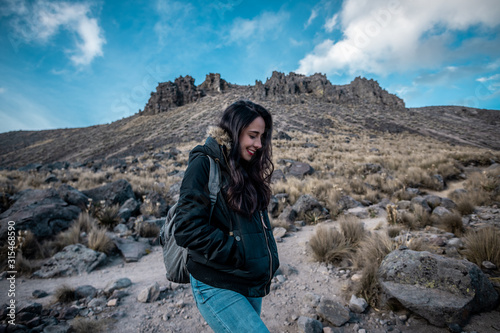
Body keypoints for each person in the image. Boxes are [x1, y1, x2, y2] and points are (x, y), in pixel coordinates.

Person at [173, 100, 280, 332]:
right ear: (235, 129)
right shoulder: (204, 162)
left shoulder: (247, 169)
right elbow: (186, 228)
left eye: (262, 137)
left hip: (247, 279)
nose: (259, 144)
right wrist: (237, 252)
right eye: (253, 135)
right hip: (216, 282)